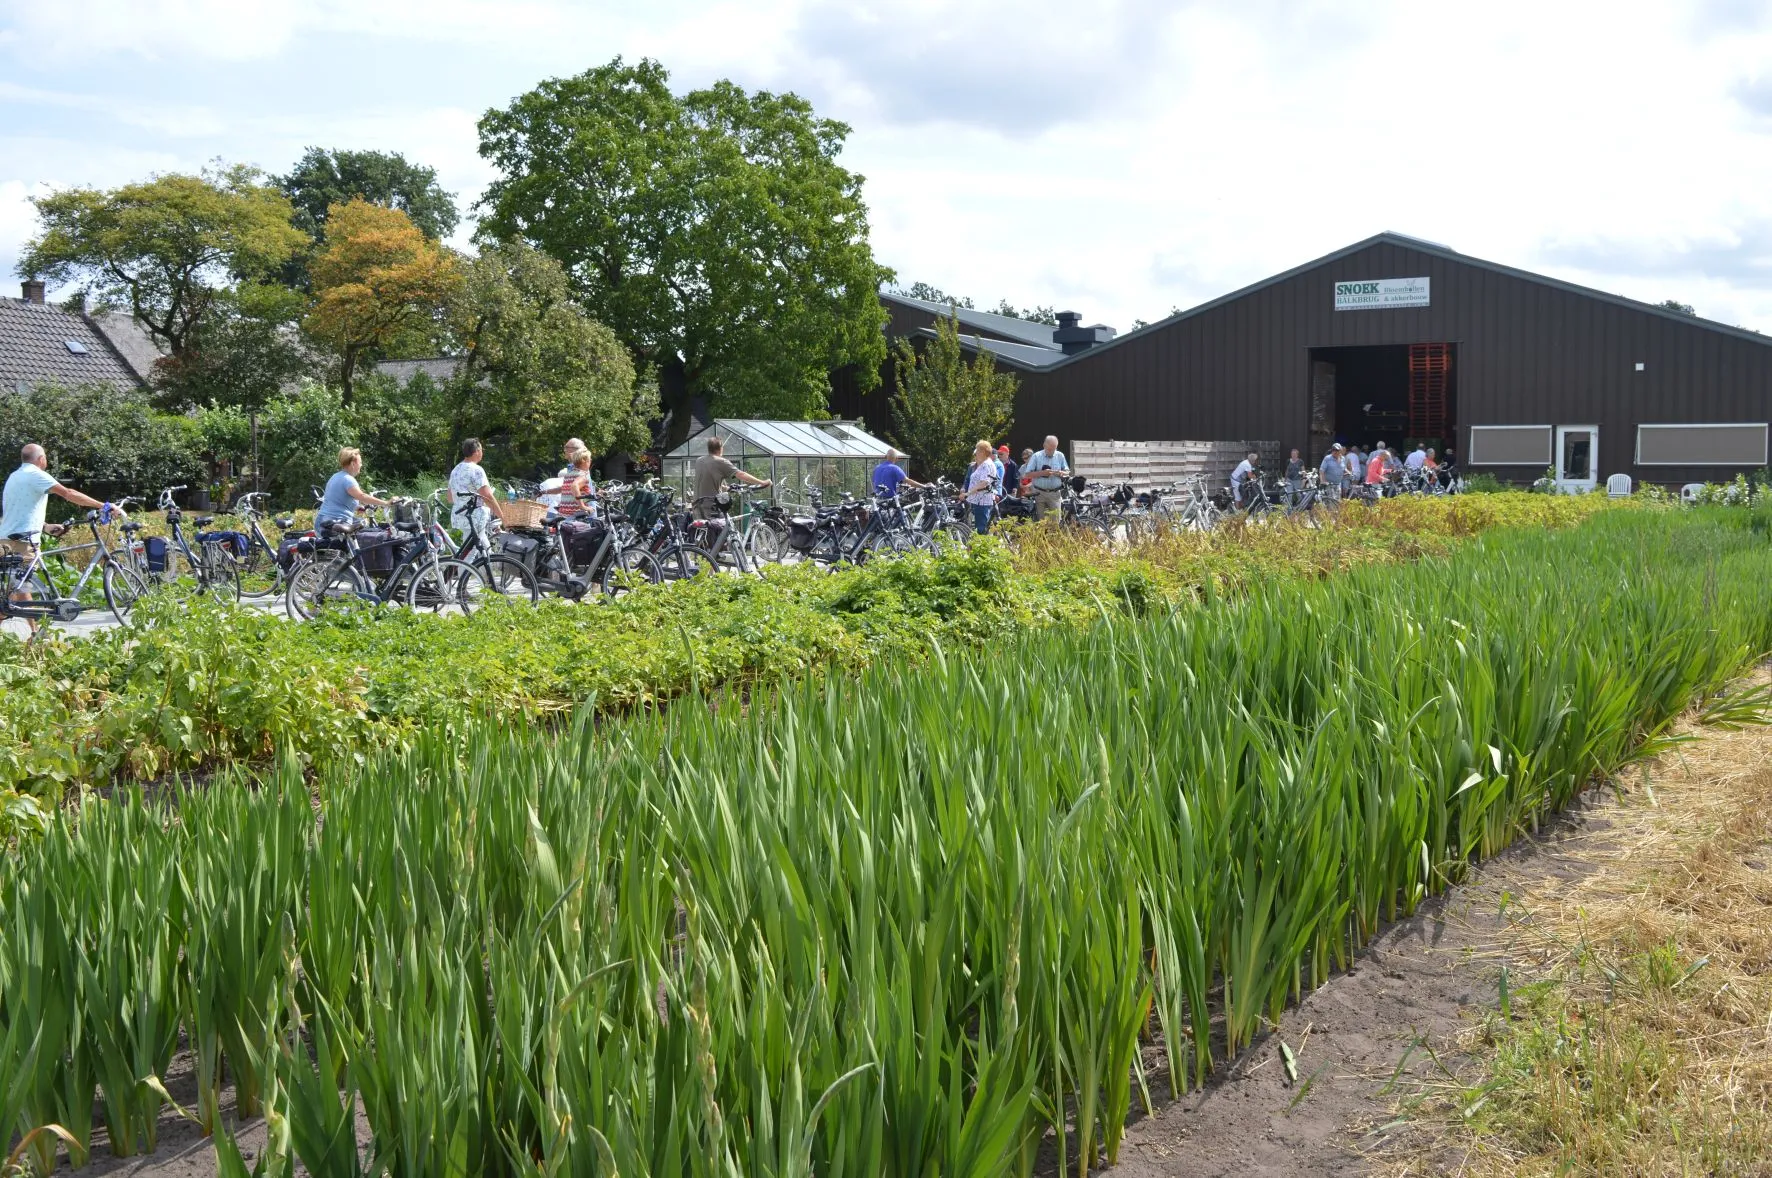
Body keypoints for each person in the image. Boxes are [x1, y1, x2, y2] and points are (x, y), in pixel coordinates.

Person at [1, 443, 120, 558]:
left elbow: (19, 509)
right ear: (41, 459)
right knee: (28, 572)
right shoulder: (36, 474)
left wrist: (45, 526)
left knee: (10, 572)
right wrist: (103, 505)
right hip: (24, 544)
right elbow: (69, 493)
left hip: (4, 541)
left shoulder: (14, 477)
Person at [692, 435, 771, 519]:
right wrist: (762, 482)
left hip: (697, 506)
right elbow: (741, 475)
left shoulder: (699, 460)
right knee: (727, 525)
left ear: (708, 448)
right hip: (711, 506)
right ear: (721, 448)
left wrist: (727, 488)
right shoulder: (721, 461)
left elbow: (708, 482)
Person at [315, 447, 391, 531]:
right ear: (353, 464)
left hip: (322, 522)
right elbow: (362, 497)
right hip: (334, 524)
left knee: (362, 525)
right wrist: (386, 503)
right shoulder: (348, 479)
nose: (361, 465)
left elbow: (337, 501)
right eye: (360, 462)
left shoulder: (335, 476)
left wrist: (356, 507)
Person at [449, 437, 506, 540]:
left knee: (476, 545)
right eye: (481, 450)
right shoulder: (476, 470)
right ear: (477, 451)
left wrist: (465, 500)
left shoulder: (455, 470)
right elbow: (487, 497)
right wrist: (503, 517)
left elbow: (450, 498)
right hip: (474, 518)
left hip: (460, 516)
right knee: (476, 548)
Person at [1024, 435, 1070, 521]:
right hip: (1039, 493)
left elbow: (1067, 472)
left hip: (1055, 494)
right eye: (1049, 449)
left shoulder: (1060, 455)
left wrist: (1061, 473)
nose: (1051, 452)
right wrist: (1043, 473)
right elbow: (1027, 474)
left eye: (1054, 449)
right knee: (1041, 523)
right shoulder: (1036, 456)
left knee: (1055, 523)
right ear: (1044, 445)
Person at [964, 440, 999, 535]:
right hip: (979, 500)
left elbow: (984, 483)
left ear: (983, 452)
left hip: (982, 501)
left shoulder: (987, 464)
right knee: (979, 527)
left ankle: (980, 544)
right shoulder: (984, 464)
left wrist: (968, 493)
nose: (976, 452)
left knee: (980, 529)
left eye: (978, 450)